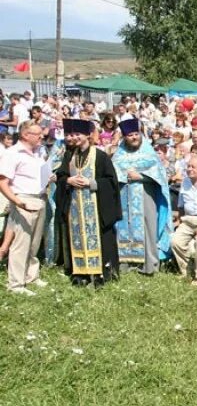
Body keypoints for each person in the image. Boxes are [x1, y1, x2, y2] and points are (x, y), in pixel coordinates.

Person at [55, 118, 122, 287]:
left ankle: (100, 274)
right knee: (77, 237)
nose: (75, 137)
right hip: (75, 208)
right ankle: (80, 273)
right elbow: (61, 176)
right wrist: (68, 180)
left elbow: (111, 181)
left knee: (99, 237)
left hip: (96, 206)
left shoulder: (100, 156)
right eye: (73, 134)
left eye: (79, 134)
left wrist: (91, 183)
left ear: (88, 135)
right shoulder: (69, 155)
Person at [112, 117, 172, 275]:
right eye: (130, 135)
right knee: (124, 228)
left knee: (147, 228)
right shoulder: (119, 154)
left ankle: (149, 266)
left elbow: (160, 175)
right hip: (124, 196)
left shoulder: (149, 152)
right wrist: (125, 176)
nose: (133, 137)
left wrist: (142, 177)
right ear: (124, 137)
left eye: (136, 134)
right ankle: (126, 265)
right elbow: (112, 172)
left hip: (146, 195)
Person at [0, 121, 51, 294]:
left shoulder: (38, 152)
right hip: (23, 200)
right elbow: (3, 182)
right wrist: (17, 201)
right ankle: (16, 284)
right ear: (25, 135)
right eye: (37, 134)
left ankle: (31, 276)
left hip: (40, 198)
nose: (41, 137)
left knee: (34, 242)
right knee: (20, 244)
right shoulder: (12, 153)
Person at [170, 154, 197, 286]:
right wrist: (181, 221)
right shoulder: (185, 182)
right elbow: (181, 205)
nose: (189, 169)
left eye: (193, 167)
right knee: (175, 241)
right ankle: (187, 269)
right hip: (188, 220)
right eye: (188, 166)